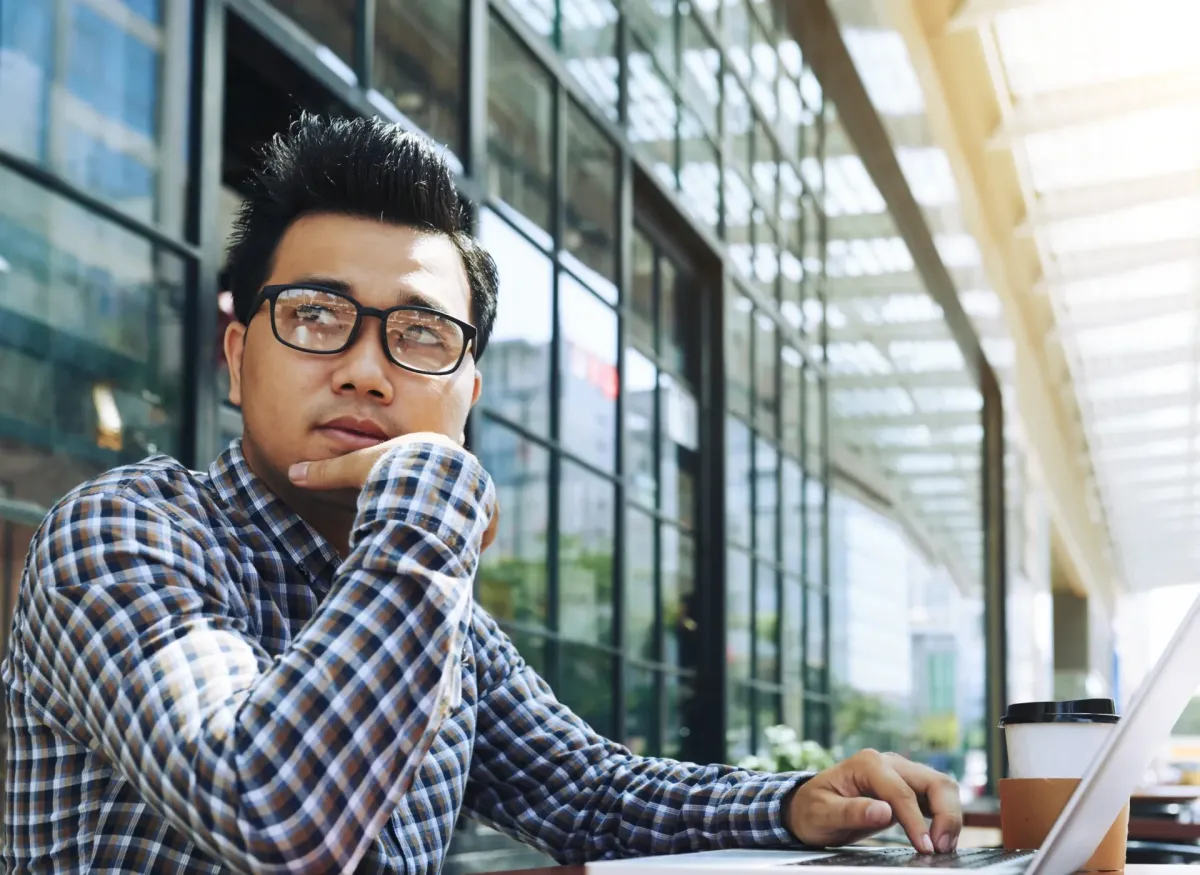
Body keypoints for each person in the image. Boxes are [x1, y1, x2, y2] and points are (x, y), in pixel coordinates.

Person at [2, 114, 961, 874]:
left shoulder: (432, 599)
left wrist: (796, 802)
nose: (369, 371)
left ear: (468, 390)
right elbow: (272, 816)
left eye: (420, 333)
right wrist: (431, 493)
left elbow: (587, 792)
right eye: (317, 316)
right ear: (238, 355)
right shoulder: (124, 531)